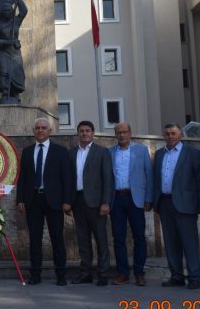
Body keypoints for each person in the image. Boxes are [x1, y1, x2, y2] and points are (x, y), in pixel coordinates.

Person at [16, 117, 73, 286]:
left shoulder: (60, 151)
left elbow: (67, 178)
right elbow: (22, 178)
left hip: (54, 201)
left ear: (50, 131)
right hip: (33, 200)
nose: (40, 130)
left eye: (43, 128)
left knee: (57, 239)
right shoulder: (27, 151)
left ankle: (61, 275)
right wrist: (20, 199)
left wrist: (67, 201)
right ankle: (35, 274)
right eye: (37, 128)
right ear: (34, 131)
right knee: (35, 239)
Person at [153, 123, 200, 289]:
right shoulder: (160, 154)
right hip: (165, 202)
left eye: (173, 133)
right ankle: (176, 275)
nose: (170, 136)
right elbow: (156, 179)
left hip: (186, 204)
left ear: (181, 135)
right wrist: (156, 202)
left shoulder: (193, 153)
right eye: (167, 133)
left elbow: (199, 180)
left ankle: (194, 277)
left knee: (189, 242)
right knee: (170, 242)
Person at [108, 122, 153, 286]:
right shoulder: (110, 152)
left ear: (130, 132)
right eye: (118, 132)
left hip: (136, 199)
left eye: (124, 132)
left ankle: (139, 273)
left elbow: (149, 174)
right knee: (118, 238)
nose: (122, 135)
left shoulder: (141, 150)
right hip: (116, 199)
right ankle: (123, 273)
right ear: (115, 135)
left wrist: (149, 198)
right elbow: (107, 178)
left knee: (139, 237)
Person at [69, 120, 114, 286]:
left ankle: (103, 274)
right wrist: (68, 201)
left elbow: (107, 179)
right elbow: (69, 179)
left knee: (101, 239)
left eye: (87, 131)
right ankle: (85, 273)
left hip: (96, 203)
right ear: (78, 134)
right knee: (83, 240)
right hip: (78, 201)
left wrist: (105, 202)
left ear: (93, 133)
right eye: (81, 131)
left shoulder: (102, 152)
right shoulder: (72, 153)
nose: (84, 133)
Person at [0, 0, 27, 104]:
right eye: (6, 11)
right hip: (3, 53)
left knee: (16, 72)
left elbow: (24, 11)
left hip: (15, 53)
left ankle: (15, 94)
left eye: (10, 11)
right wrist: (10, 42)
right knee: (4, 72)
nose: (8, 13)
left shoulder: (16, 21)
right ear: (2, 13)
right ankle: (5, 93)